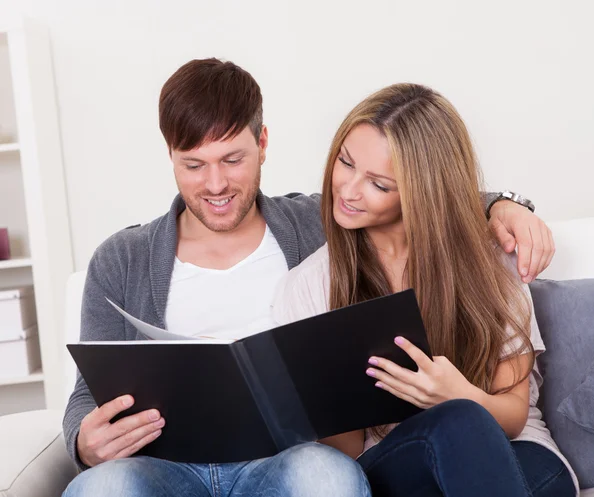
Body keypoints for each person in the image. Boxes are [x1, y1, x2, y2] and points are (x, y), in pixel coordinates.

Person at [62, 59, 555, 497]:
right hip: (165, 467)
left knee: (326, 478)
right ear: (170, 155)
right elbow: (89, 390)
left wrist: (502, 206)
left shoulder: (324, 225)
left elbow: (425, 198)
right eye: (194, 165)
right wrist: (85, 442)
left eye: (233, 160)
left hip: (286, 462)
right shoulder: (121, 260)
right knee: (101, 488)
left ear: (263, 142)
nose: (215, 185)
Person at [272, 83, 577, 497]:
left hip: (518, 455)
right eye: (345, 163)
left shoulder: (491, 262)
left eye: (379, 184)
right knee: (454, 427)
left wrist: (458, 395)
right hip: (402, 468)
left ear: (422, 193)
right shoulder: (309, 286)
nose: (347, 190)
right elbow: (343, 455)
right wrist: (327, 396)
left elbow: (514, 415)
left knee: (462, 421)